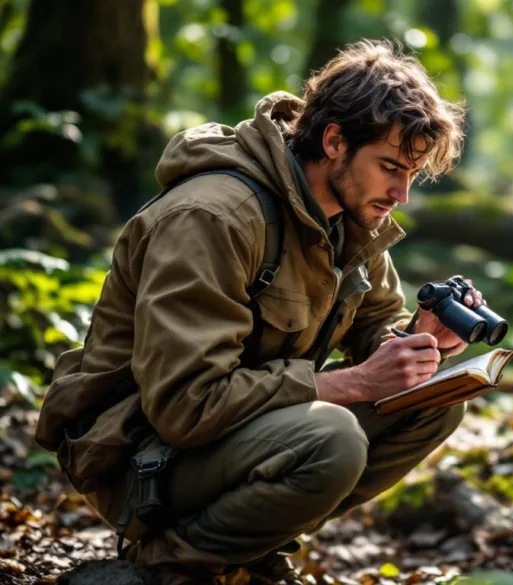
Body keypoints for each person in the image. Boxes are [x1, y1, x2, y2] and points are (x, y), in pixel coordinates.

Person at [34, 40, 476, 585]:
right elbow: (185, 404)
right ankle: (169, 567)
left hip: (237, 437)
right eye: (389, 167)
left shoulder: (351, 217)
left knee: (433, 402)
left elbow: (373, 328)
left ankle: (248, 547)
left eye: (412, 173)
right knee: (333, 439)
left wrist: (420, 340)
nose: (401, 194)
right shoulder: (214, 217)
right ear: (334, 141)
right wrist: (355, 383)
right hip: (138, 455)